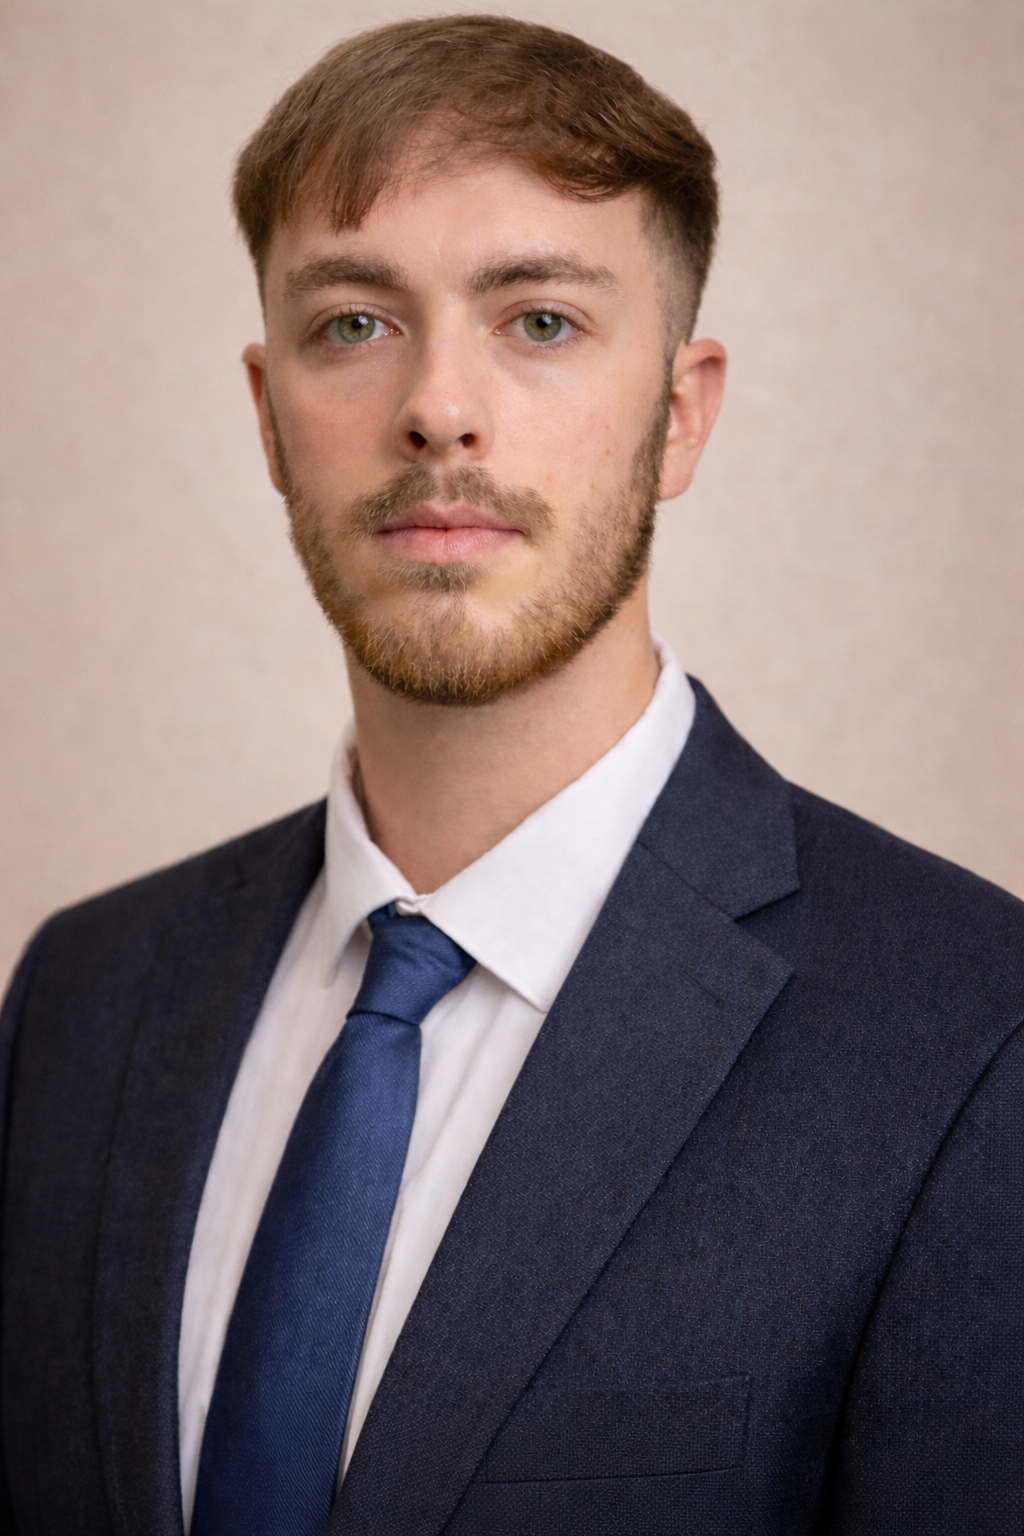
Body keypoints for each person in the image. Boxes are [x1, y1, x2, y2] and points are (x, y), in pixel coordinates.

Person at [1, 15, 1021, 1535]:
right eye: (355, 321)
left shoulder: (970, 1032)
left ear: (678, 415)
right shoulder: (77, 999)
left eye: (539, 320)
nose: (438, 408)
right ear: (270, 413)